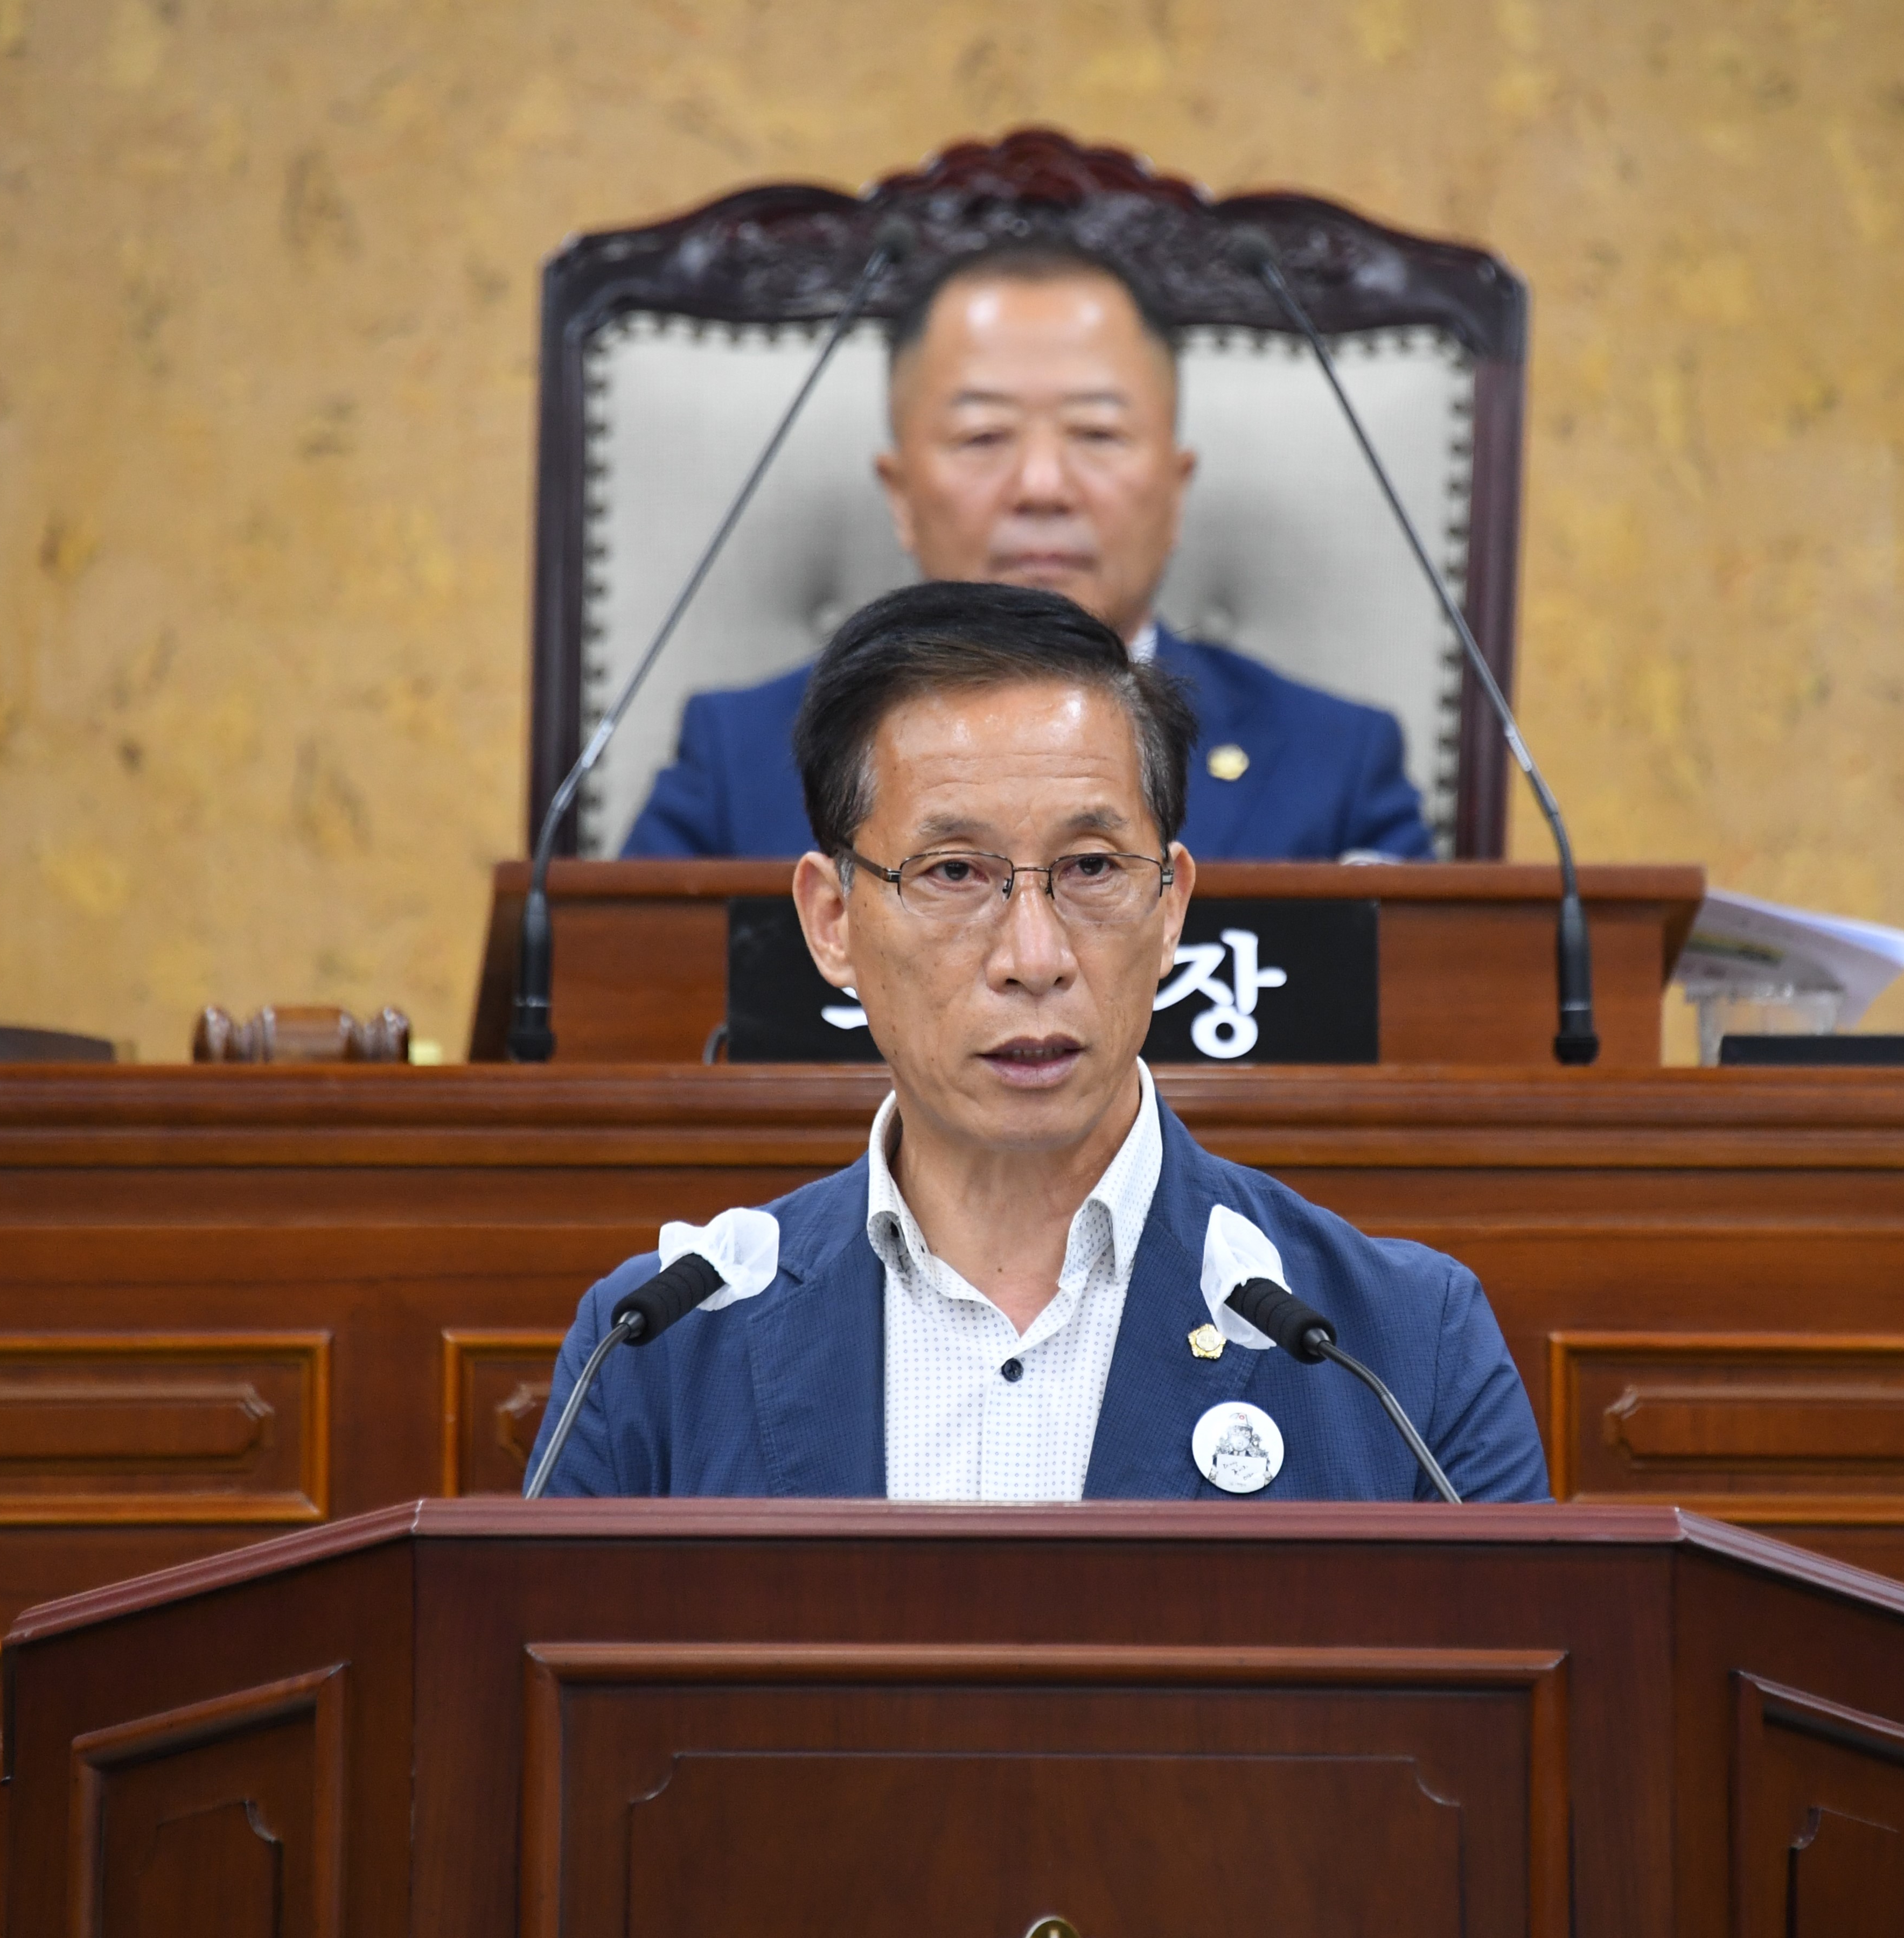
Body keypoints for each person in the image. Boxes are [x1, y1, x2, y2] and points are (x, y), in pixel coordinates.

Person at [533, 580, 1547, 1501]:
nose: (1034, 956)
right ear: (832, 921)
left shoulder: (1404, 1347)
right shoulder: (653, 1349)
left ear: (1171, 905)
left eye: (1094, 867)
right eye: (954, 873)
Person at [619, 241, 1438, 862]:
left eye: (1097, 433)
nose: (1043, 485)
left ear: (1176, 488)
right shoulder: (738, 756)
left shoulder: (1338, 768)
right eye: (983, 436)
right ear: (900, 495)